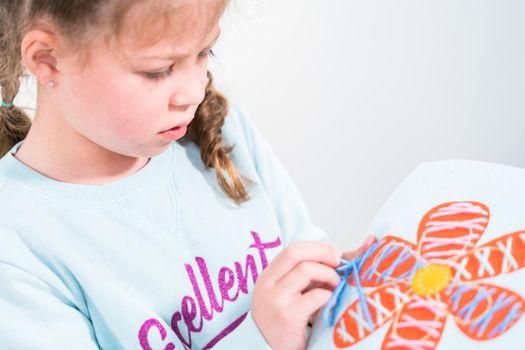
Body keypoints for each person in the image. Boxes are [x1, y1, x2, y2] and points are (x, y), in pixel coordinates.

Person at [0, 1, 374, 349]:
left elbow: (307, 260)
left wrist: (346, 279)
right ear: (48, 60)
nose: (194, 92)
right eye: (158, 71)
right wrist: (259, 338)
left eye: (204, 53)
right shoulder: (17, 243)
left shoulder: (220, 132)